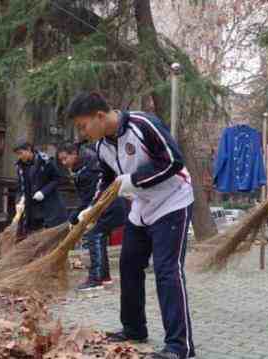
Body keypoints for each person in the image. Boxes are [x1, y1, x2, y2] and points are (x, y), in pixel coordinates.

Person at [66, 92, 195, 359]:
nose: (81, 133)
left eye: (83, 125)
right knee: (129, 264)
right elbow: (108, 180)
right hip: (141, 206)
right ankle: (134, 328)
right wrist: (92, 209)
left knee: (167, 271)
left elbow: (173, 161)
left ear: (100, 116)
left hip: (173, 200)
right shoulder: (101, 145)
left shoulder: (143, 124)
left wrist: (134, 180)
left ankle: (180, 347)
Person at [57, 142, 127, 291]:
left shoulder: (92, 165)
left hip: (109, 205)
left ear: (74, 154)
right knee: (98, 237)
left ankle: (96, 278)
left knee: (95, 235)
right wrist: (77, 215)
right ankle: (104, 277)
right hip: (101, 205)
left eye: (65, 158)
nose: (63, 163)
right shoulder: (80, 166)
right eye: (61, 160)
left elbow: (94, 192)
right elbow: (86, 195)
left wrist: (81, 213)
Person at [13, 139, 67, 235]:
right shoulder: (20, 166)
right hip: (32, 210)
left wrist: (43, 192)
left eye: (21, 153)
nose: (19, 157)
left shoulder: (45, 161)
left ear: (29, 149)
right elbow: (20, 186)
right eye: (17, 154)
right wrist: (19, 201)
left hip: (50, 207)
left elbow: (58, 179)